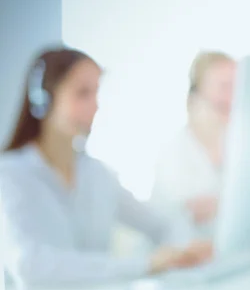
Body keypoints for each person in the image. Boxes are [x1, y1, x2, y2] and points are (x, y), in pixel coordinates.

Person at [0, 47, 212, 288]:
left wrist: (183, 251)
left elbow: (161, 223)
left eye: (96, 93)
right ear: (43, 99)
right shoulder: (10, 175)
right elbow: (33, 267)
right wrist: (147, 263)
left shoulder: (96, 174)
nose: (95, 106)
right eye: (82, 93)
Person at [150, 51, 236, 238]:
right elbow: (179, 215)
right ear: (197, 93)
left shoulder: (238, 147)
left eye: (237, 86)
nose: (233, 96)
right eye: (224, 86)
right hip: (176, 256)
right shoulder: (173, 152)